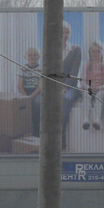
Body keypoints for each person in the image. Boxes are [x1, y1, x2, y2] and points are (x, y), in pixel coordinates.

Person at [32, 21, 81, 150]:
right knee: (37, 102)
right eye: (61, 32)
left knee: (65, 100)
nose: (64, 35)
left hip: (70, 87)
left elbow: (74, 74)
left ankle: (60, 141)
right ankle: (39, 139)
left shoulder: (76, 50)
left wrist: (63, 87)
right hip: (52, 87)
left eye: (67, 32)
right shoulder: (50, 49)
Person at [81, 39, 104, 131]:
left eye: (98, 51)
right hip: (90, 89)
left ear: (102, 52)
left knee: (100, 95)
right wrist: (89, 87)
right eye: (93, 51)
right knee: (86, 95)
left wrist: (99, 87)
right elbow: (82, 81)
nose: (95, 53)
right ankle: (85, 119)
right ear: (90, 52)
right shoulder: (86, 64)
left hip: (101, 89)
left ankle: (97, 119)